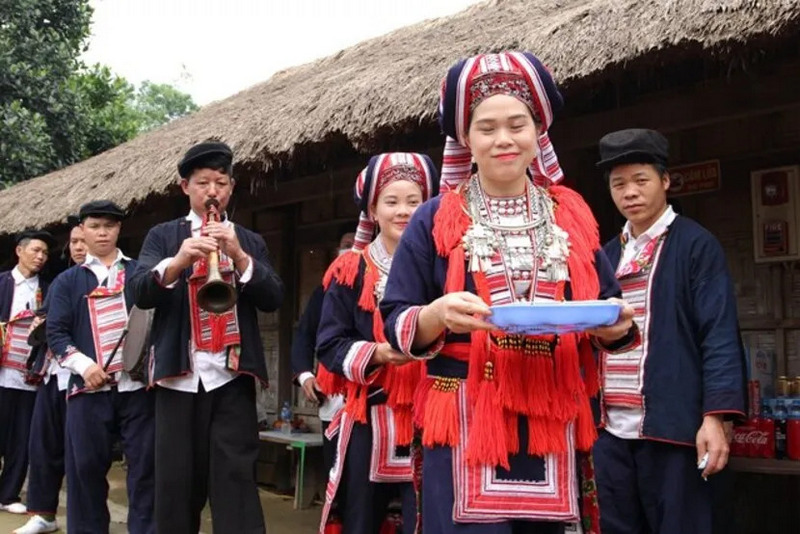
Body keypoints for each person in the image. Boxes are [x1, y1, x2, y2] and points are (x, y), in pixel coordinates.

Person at [380, 51, 639, 534]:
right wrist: (437, 313)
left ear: (538, 133)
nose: (504, 139)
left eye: (517, 125)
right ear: (465, 140)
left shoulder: (571, 213)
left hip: (552, 417)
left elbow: (607, 309)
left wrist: (616, 325)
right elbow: (396, 322)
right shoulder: (434, 217)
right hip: (463, 417)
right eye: (487, 128)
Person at [592, 128, 746, 534]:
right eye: (618, 184)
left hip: (674, 430)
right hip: (610, 431)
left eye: (641, 180)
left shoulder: (696, 246)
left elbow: (719, 333)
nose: (630, 193)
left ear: (665, 181)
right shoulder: (605, 256)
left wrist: (715, 418)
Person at [130, 141, 284, 534]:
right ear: (185, 187)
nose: (212, 191)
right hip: (177, 381)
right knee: (176, 489)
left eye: (220, 182)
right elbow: (138, 292)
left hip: (231, 381)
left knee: (237, 487)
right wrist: (180, 260)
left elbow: (273, 298)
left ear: (231, 187)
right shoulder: (163, 236)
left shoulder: (248, 239)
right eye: (202, 183)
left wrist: (240, 257)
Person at [315, 153, 438, 534]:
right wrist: (379, 353)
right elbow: (329, 344)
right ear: (372, 208)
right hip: (370, 414)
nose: (403, 211)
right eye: (391, 201)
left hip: (433, 411)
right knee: (362, 520)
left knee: (429, 515)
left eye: (413, 201)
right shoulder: (351, 269)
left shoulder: (443, 263)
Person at [46, 200, 155, 534]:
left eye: (110, 225)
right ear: (82, 230)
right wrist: (84, 365)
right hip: (87, 390)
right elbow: (55, 332)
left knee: (146, 471)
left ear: (119, 229)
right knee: (84, 472)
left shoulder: (140, 273)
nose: (103, 232)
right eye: (95, 226)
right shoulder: (67, 281)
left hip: (137, 390)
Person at [14, 219, 86, 534]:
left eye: (83, 240)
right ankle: (44, 513)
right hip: (52, 372)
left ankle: (85, 520)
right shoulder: (58, 283)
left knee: (81, 454)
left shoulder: (117, 277)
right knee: (42, 447)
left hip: (86, 379)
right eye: (74, 242)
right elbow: (45, 323)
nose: (80, 246)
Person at [291, 231, 355, 476]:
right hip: (334, 392)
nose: (351, 249)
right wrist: (306, 376)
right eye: (346, 245)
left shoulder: (388, 284)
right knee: (336, 467)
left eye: (357, 244)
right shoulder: (325, 292)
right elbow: (304, 336)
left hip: (375, 392)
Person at [0, 230, 54, 515]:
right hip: (1, 370)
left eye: (44, 253)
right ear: (19, 251)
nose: (40, 256)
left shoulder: (47, 289)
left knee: (22, 438)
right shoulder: (1, 283)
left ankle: (8, 494)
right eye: (35, 250)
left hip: (28, 374)